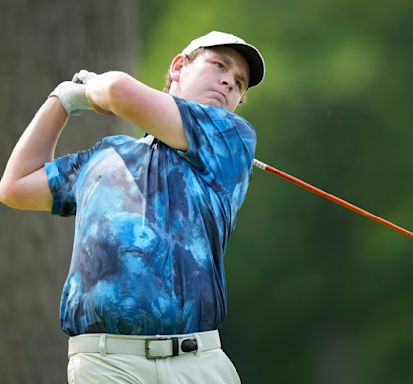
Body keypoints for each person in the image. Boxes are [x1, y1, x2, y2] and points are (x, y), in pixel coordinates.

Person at [0, 31, 265, 383]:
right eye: (219, 65)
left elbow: (117, 92)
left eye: (239, 83)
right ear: (178, 67)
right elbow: (15, 185)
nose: (229, 82)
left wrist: (89, 90)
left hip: (198, 362)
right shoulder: (105, 156)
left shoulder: (231, 138)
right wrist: (61, 101)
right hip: (106, 364)